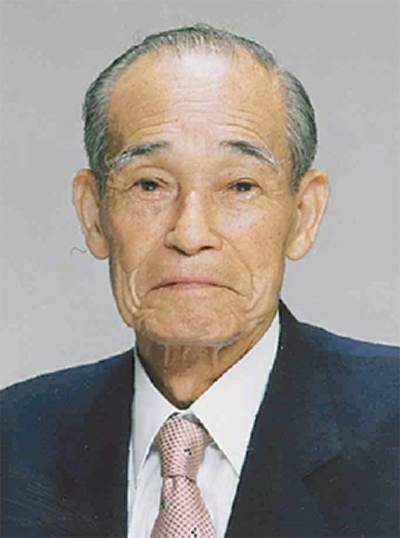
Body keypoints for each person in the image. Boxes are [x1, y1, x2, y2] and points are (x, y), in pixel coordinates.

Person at [1, 24, 398, 538]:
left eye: (240, 186)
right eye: (149, 184)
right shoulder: (13, 441)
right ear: (94, 214)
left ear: (303, 215)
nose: (190, 235)